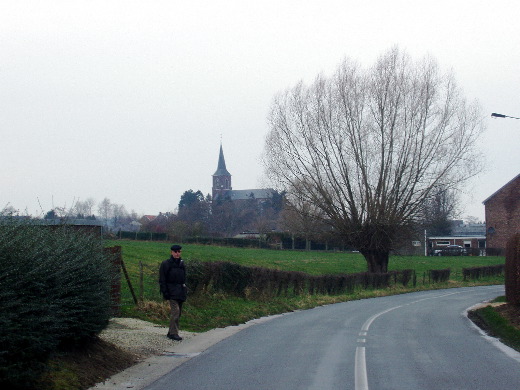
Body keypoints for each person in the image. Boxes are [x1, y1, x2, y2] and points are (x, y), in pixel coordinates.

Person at [159, 244, 187, 341]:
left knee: (178, 314)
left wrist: (184, 290)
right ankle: (174, 333)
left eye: (179, 252)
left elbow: (183, 278)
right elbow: (162, 279)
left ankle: (171, 332)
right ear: (171, 252)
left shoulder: (182, 264)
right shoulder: (166, 264)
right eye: (175, 252)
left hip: (180, 292)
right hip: (171, 292)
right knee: (176, 312)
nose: (177, 253)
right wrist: (165, 292)